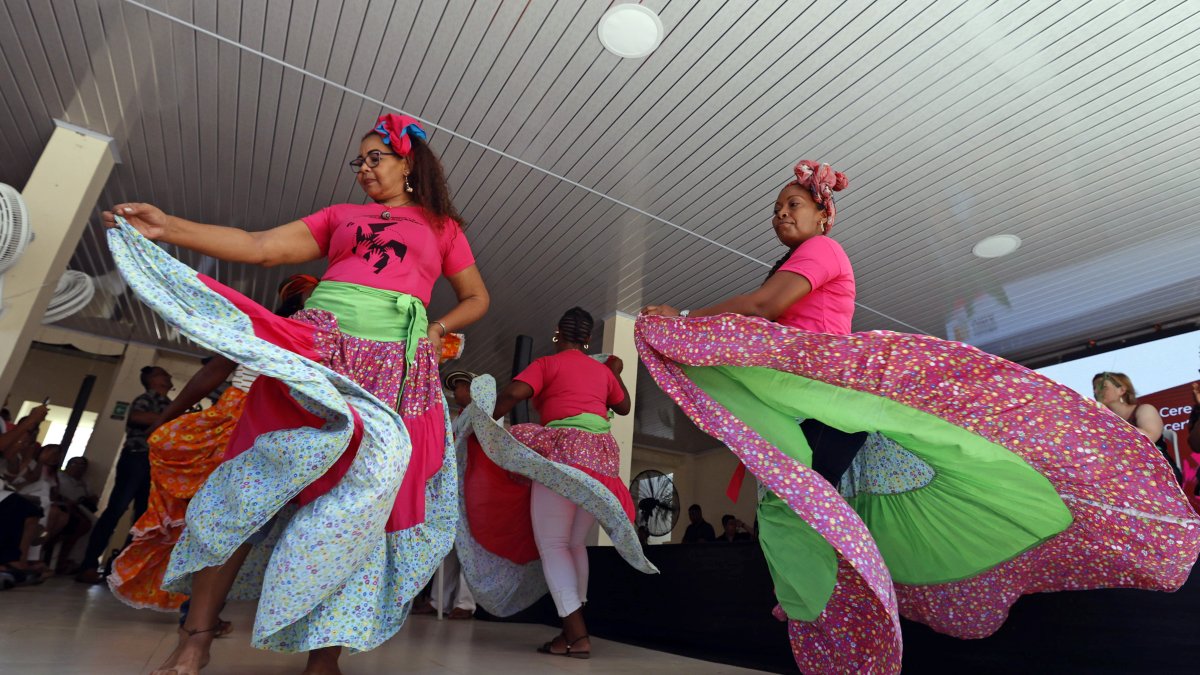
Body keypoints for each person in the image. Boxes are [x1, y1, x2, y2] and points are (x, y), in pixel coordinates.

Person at [637, 161, 1200, 674]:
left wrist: (684, 319)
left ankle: (832, 616)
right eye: (777, 208)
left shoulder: (823, 251)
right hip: (804, 400)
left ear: (823, 216)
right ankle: (823, 615)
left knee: (800, 504)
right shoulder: (791, 262)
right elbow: (765, 319)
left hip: (824, 400)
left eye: (794, 204)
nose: (781, 214)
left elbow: (765, 309)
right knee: (794, 505)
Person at [103, 112, 488, 675]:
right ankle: (196, 637)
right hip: (314, 352)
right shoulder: (340, 216)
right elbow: (259, 245)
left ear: (409, 164)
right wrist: (169, 228)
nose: (363, 169)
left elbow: (477, 297)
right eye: (358, 161)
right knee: (245, 489)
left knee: (356, 509)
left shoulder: (442, 227)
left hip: (390, 373)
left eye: (375, 158)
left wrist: (438, 327)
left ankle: (323, 657)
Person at [454, 307, 657, 659]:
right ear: (587, 339)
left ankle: (577, 634)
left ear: (557, 334)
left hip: (562, 451)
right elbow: (623, 406)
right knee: (574, 543)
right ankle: (570, 631)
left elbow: (514, 393)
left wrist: (484, 422)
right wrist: (614, 372)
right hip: (599, 458)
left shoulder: (548, 364)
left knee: (553, 544)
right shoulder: (601, 371)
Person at [108, 275, 316, 615]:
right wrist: (165, 420)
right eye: (317, 293)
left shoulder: (323, 338)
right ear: (297, 299)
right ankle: (195, 611)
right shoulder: (258, 326)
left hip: (277, 427)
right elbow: (211, 374)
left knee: (239, 521)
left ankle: (201, 610)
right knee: (214, 514)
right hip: (236, 420)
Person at [76, 366, 173, 584]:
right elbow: (137, 417)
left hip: (155, 463)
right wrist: (170, 418)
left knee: (143, 516)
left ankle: (124, 570)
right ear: (152, 380)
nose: (168, 376)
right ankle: (89, 565)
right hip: (136, 457)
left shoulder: (169, 404)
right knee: (116, 509)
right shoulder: (146, 399)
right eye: (163, 374)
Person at [1092, 372, 1176, 482]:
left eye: (1103, 387)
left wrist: (1114, 425)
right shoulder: (1101, 421)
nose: (1096, 391)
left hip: (1155, 471)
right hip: (1122, 475)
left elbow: (1150, 436)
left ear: (1121, 390)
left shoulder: (1144, 409)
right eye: (1094, 388)